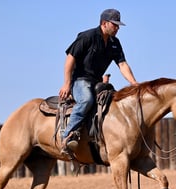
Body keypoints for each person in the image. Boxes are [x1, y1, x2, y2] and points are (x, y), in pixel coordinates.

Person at [59, 8, 139, 154]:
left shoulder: (115, 43)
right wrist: (67, 83)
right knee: (87, 100)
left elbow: (122, 64)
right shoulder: (87, 36)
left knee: (113, 101)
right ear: (104, 23)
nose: (117, 28)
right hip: (80, 80)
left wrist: (134, 83)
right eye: (114, 25)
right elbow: (70, 58)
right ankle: (68, 136)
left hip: (97, 82)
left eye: (118, 25)